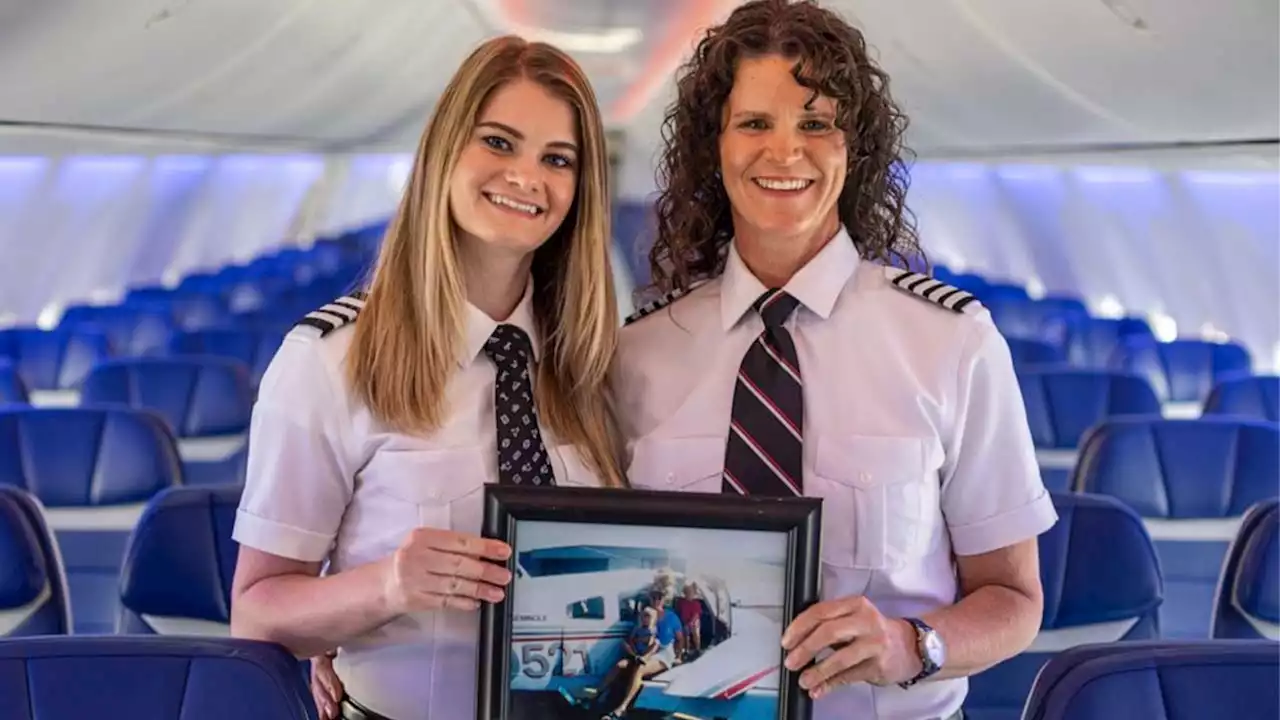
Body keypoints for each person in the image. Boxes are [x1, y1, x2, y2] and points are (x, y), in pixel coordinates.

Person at [609, 1, 1057, 719]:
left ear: (855, 147)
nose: (784, 153)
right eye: (755, 123)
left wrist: (913, 645)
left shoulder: (953, 342)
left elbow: (1015, 599)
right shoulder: (638, 355)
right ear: (713, 146)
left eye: (815, 124)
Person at [228, 34, 625, 720]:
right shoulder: (331, 362)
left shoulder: (593, 364)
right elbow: (258, 616)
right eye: (499, 143)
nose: (527, 176)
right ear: (445, 152)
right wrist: (383, 588)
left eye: (557, 159)